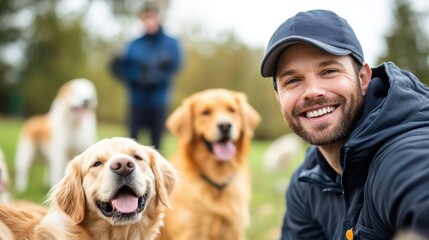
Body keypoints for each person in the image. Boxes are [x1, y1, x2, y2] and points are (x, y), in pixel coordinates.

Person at [260, 9, 429, 240]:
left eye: (329, 71)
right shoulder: (307, 182)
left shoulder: (404, 155)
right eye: (293, 80)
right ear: (279, 97)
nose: (312, 92)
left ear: (363, 79)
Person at [110, 0, 182, 150]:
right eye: (146, 18)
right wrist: (131, 75)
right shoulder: (134, 44)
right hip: (137, 102)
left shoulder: (171, 43)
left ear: (158, 18)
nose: (149, 22)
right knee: (130, 145)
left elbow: (175, 66)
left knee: (157, 146)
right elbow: (125, 69)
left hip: (159, 102)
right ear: (142, 20)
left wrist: (156, 77)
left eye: (152, 17)